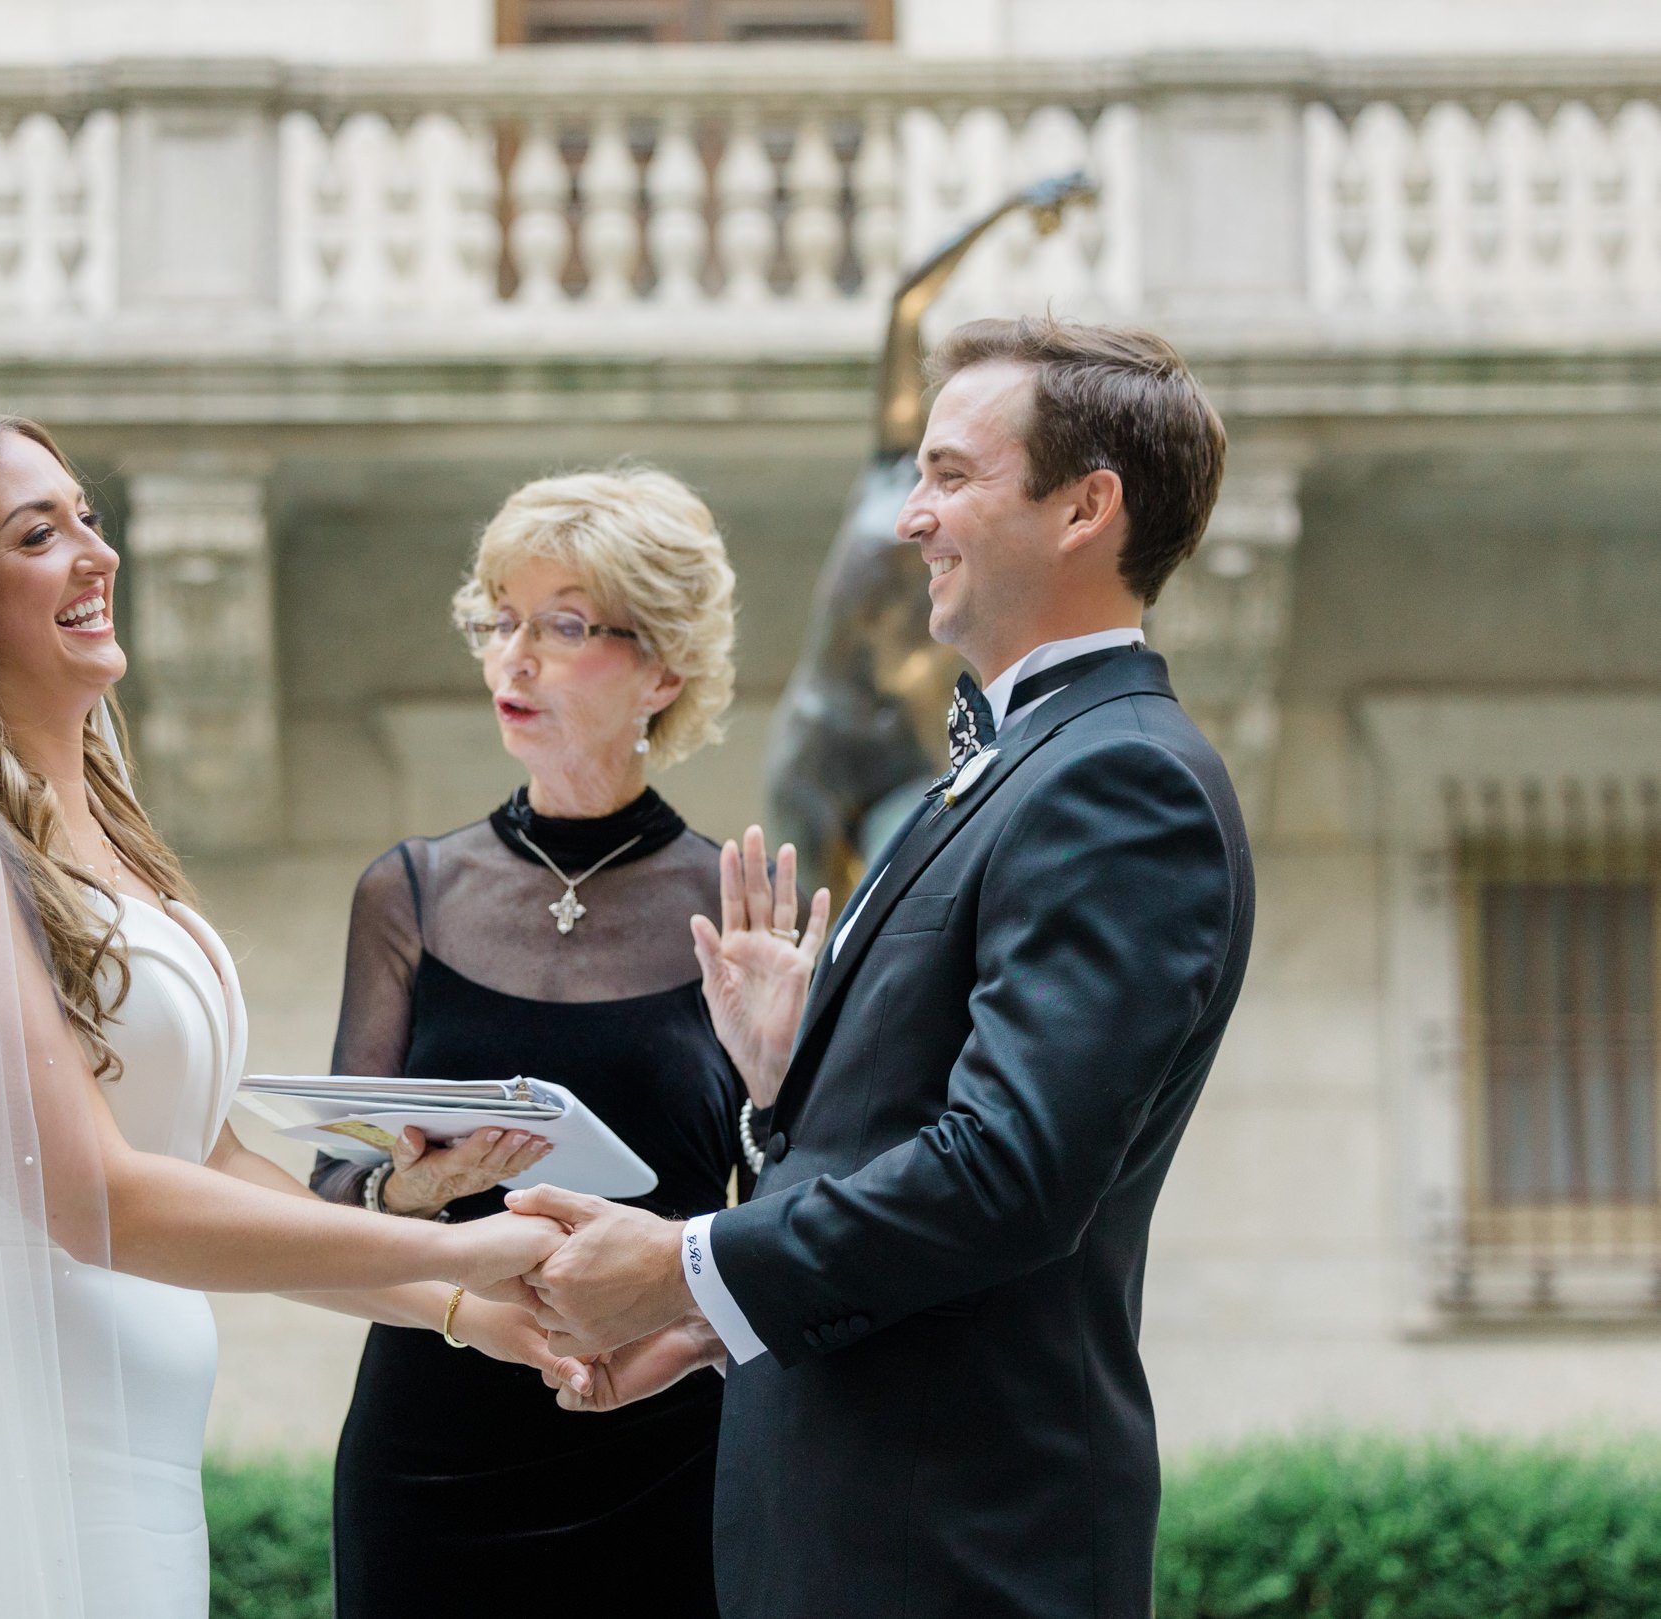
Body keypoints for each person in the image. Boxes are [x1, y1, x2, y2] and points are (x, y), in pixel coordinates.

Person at [0, 414, 576, 1619]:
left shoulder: (98, 836)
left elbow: (197, 1157)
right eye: (36, 533)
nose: (94, 553)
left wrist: (465, 1310)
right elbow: (93, 1192)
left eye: (88, 518)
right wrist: (451, 1248)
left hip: (118, 1437)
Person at [508, 319, 1255, 1619]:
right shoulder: (1020, 765)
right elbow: (917, 1148)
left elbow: (1008, 1172)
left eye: (952, 474)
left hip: (958, 1555)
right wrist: (789, 1089)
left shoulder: (1121, 781)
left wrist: (690, 1260)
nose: (910, 518)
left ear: (1086, 506)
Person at [310, 468, 815, 1619]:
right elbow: (330, 1195)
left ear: (665, 667)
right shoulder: (410, 894)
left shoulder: (736, 914)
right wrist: (406, 1180)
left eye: (565, 624)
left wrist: (779, 1079)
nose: (514, 657)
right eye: (502, 620)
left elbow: (798, 1200)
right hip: (427, 1445)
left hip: (661, 1438)